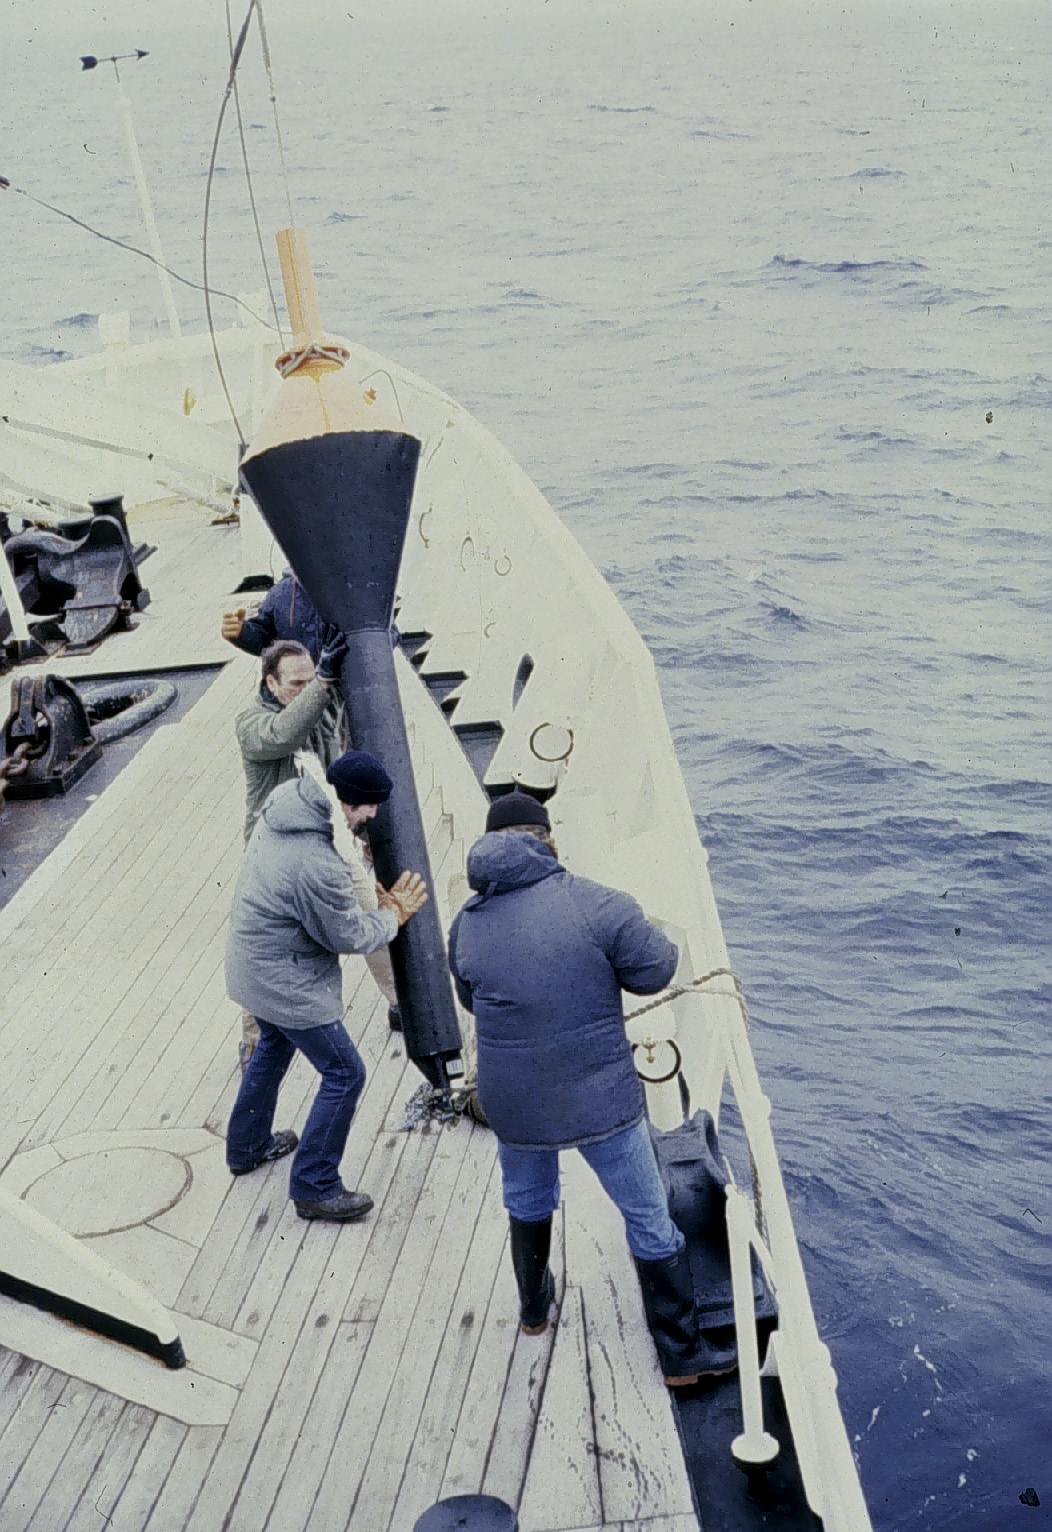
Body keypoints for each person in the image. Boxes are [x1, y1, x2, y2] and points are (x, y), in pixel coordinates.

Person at [448, 790, 703, 1387]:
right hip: (599, 1100)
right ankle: (681, 1357)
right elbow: (657, 970)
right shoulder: (599, 904)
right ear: (549, 840)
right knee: (647, 1213)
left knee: (527, 1199)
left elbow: (471, 998)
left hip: (515, 1104)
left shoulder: (466, 923)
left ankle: (534, 1313)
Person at [224, 750, 428, 1223]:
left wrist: (363, 888)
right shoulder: (317, 863)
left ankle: (246, 1147)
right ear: (347, 803)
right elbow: (350, 936)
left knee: (272, 1045)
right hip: (287, 982)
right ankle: (314, 1185)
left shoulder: (288, 803)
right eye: (368, 808)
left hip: (252, 967)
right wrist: (393, 913)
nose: (371, 816)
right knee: (345, 1073)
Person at [234, 633, 399, 1069]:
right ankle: (253, 1040)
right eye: (296, 684)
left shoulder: (318, 707)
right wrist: (322, 683)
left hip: (327, 837)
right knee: (272, 945)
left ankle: (399, 1001)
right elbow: (283, 734)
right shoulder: (252, 722)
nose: (307, 690)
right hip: (275, 854)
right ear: (270, 683)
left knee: (368, 907)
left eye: (311, 680)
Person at [222, 567, 324, 662]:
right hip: (300, 673)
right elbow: (266, 639)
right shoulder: (281, 592)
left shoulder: (334, 584)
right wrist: (243, 632)